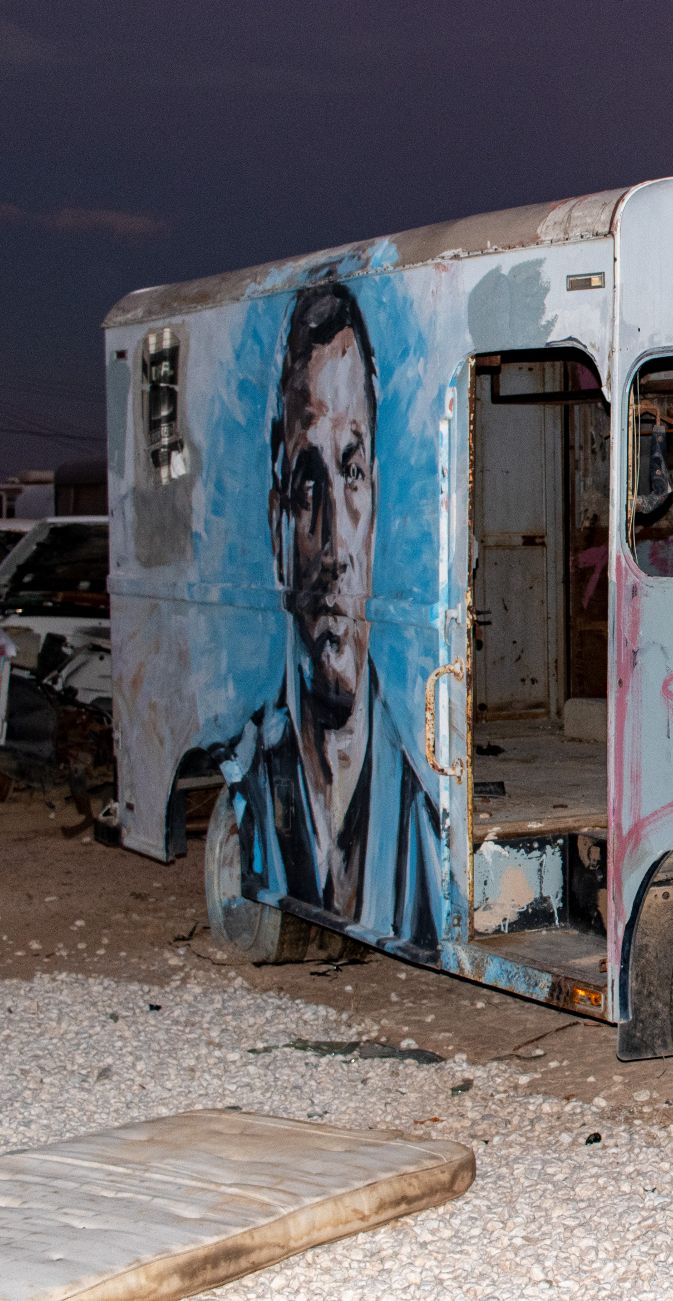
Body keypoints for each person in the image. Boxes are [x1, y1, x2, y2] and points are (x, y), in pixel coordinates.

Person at [219, 280, 442, 956]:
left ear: (376, 507)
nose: (334, 544)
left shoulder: (424, 832)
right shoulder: (251, 774)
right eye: (308, 482)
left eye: (350, 473)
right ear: (277, 520)